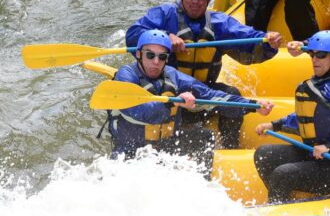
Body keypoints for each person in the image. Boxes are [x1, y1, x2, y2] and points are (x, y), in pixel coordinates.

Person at [126, 0, 282, 148]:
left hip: (202, 91)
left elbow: (250, 40)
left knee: (232, 94)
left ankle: (230, 147)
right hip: (168, 92)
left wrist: (269, 42)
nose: (194, 0)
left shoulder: (219, 23)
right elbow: (134, 34)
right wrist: (164, 36)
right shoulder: (165, 13)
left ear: (208, 0)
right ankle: (161, 143)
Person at [106, 30, 273, 178]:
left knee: (204, 137)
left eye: (162, 57)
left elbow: (210, 95)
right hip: (132, 150)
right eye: (150, 55)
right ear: (138, 54)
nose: (156, 61)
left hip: (165, 145)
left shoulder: (172, 75)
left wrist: (252, 105)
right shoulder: (125, 76)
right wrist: (174, 103)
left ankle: (203, 186)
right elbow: (136, 110)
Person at [254, 30, 330, 204]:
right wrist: (275, 125)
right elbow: (311, 117)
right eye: (312, 54)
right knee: (264, 154)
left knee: (283, 174)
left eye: (320, 55)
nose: (314, 60)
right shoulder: (320, 81)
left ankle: (279, 209)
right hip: (317, 154)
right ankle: (284, 201)